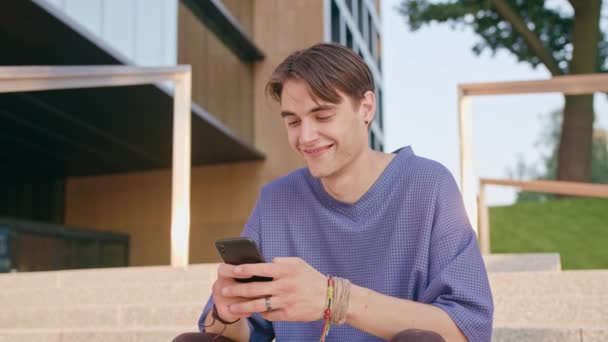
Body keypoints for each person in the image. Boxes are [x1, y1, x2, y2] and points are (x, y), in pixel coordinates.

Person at [173, 43, 493, 342]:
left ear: (366, 108)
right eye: (293, 121)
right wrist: (226, 312)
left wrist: (334, 298)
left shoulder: (429, 184)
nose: (306, 136)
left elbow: (466, 330)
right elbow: (243, 332)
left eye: (322, 116)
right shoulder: (276, 200)